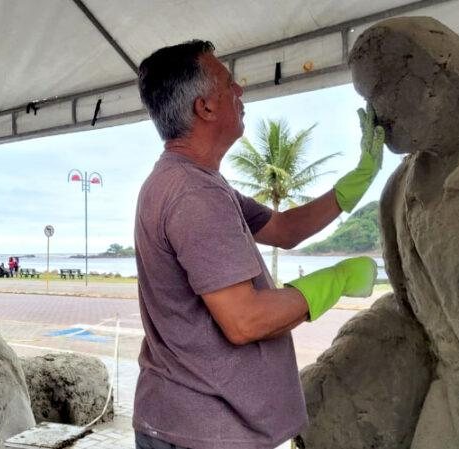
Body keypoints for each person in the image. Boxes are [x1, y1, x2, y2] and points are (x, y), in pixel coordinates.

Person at [133, 40, 384, 449]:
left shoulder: (199, 183)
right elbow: (244, 320)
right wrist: (335, 279)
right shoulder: (192, 193)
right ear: (205, 108)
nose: (240, 92)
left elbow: (284, 229)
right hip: (202, 434)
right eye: (229, 84)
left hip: (190, 427)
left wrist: (358, 180)